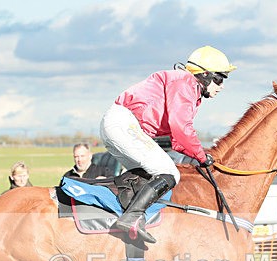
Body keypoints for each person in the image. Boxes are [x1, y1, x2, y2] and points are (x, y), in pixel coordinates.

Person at [99, 45, 235, 243]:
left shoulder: (185, 85)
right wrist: (202, 156)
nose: (221, 86)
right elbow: (181, 128)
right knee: (170, 173)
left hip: (119, 124)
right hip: (123, 124)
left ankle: (129, 219)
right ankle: (131, 218)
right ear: (205, 75)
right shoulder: (187, 83)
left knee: (147, 176)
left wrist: (196, 152)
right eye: (219, 79)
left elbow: (176, 139)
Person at [60, 143, 115, 261]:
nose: (79, 159)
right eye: (76, 156)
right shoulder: (68, 177)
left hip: (99, 232)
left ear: (89, 156)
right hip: (76, 235)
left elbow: (115, 194)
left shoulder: (103, 172)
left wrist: (103, 184)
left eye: (82, 156)